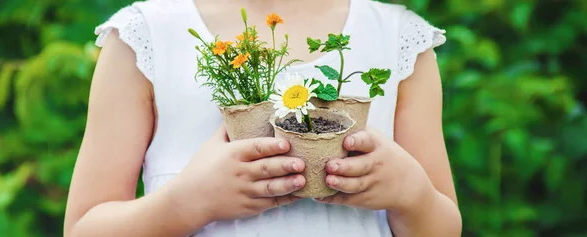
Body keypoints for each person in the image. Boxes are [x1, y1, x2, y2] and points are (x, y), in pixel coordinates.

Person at [63, 0, 462, 236]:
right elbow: (83, 228)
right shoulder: (149, 34)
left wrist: (412, 193)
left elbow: (444, 227)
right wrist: (187, 202)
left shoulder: (396, 39)